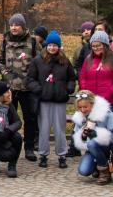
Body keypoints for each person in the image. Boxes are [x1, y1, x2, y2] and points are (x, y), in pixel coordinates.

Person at [27, 31, 76, 169]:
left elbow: (72, 78)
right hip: (44, 100)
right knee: (44, 129)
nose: (52, 48)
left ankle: (61, 154)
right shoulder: (38, 60)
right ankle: (43, 155)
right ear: (46, 46)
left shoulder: (65, 61)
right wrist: (38, 89)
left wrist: (68, 89)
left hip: (59, 100)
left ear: (58, 47)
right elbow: (30, 79)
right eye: (50, 45)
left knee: (60, 129)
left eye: (55, 45)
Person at [0, 13, 41, 161]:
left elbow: (40, 62)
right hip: (9, 87)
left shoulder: (33, 42)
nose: (14, 27)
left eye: (17, 25)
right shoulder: (5, 40)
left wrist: (32, 78)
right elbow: (0, 60)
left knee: (30, 119)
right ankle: (9, 145)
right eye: (11, 25)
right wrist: (5, 73)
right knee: (8, 118)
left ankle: (29, 148)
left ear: (23, 26)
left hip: (27, 88)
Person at [72, 92, 113, 185]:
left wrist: (97, 135)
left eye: (85, 107)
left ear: (92, 104)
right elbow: (79, 141)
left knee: (92, 143)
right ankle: (97, 164)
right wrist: (83, 136)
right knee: (83, 171)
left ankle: (104, 171)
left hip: (111, 146)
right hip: (92, 148)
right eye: (80, 107)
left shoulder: (106, 115)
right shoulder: (80, 118)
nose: (82, 110)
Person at [78, 31, 113, 123]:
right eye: (93, 46)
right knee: (95, 132)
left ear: (105, 44)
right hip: (93, 103)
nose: (96, 48)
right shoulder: (89, 59)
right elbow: (83, 76)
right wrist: (86, 92)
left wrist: (111, 92)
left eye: (99, 45)